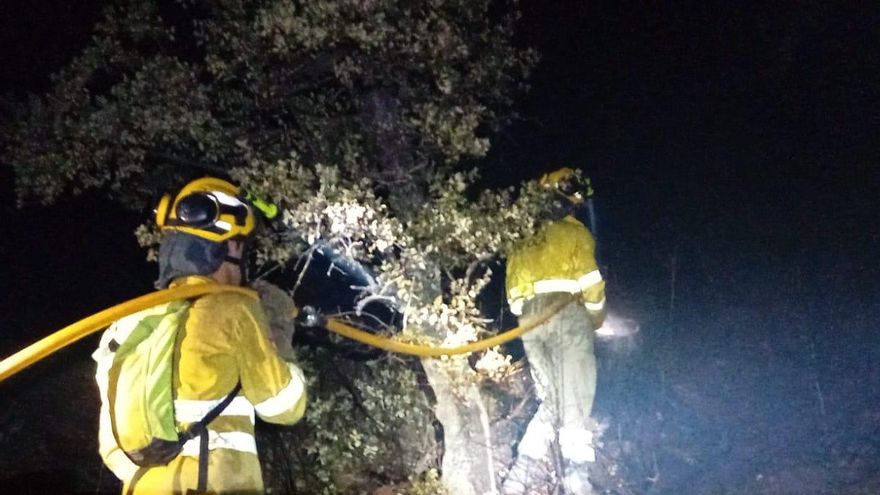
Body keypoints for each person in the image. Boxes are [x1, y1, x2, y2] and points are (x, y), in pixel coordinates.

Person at [93, 177, 307, 494]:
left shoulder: (126, 326)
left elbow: (114, 453)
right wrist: (277, 325)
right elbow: (285, 407)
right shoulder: (233, 308)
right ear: (231, 246)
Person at [502, 168, 607, 495]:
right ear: (571, 201)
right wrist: (596, 318)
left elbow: (513, 293)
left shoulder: (524, 239)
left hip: (530, 322)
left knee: (550, 400)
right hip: (568, 314)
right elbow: (592, 284)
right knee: (575, 397)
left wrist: (530, 317)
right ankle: (578, 482)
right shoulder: (576, 235)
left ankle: (517, 480)